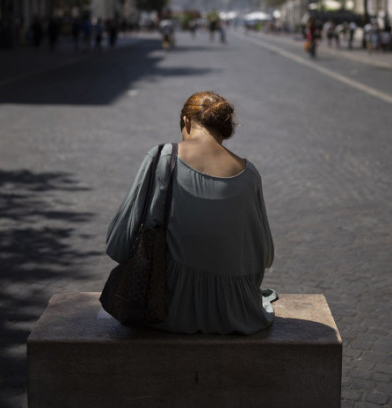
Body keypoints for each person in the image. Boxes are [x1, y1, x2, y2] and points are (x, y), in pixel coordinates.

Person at [105, 91, 275, 335]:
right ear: (222, 127)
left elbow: (117, 244)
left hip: (167, 309)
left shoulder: (162, 157)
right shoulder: (250, 174)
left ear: (186, 121)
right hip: (238, 311)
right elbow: (265, 256)